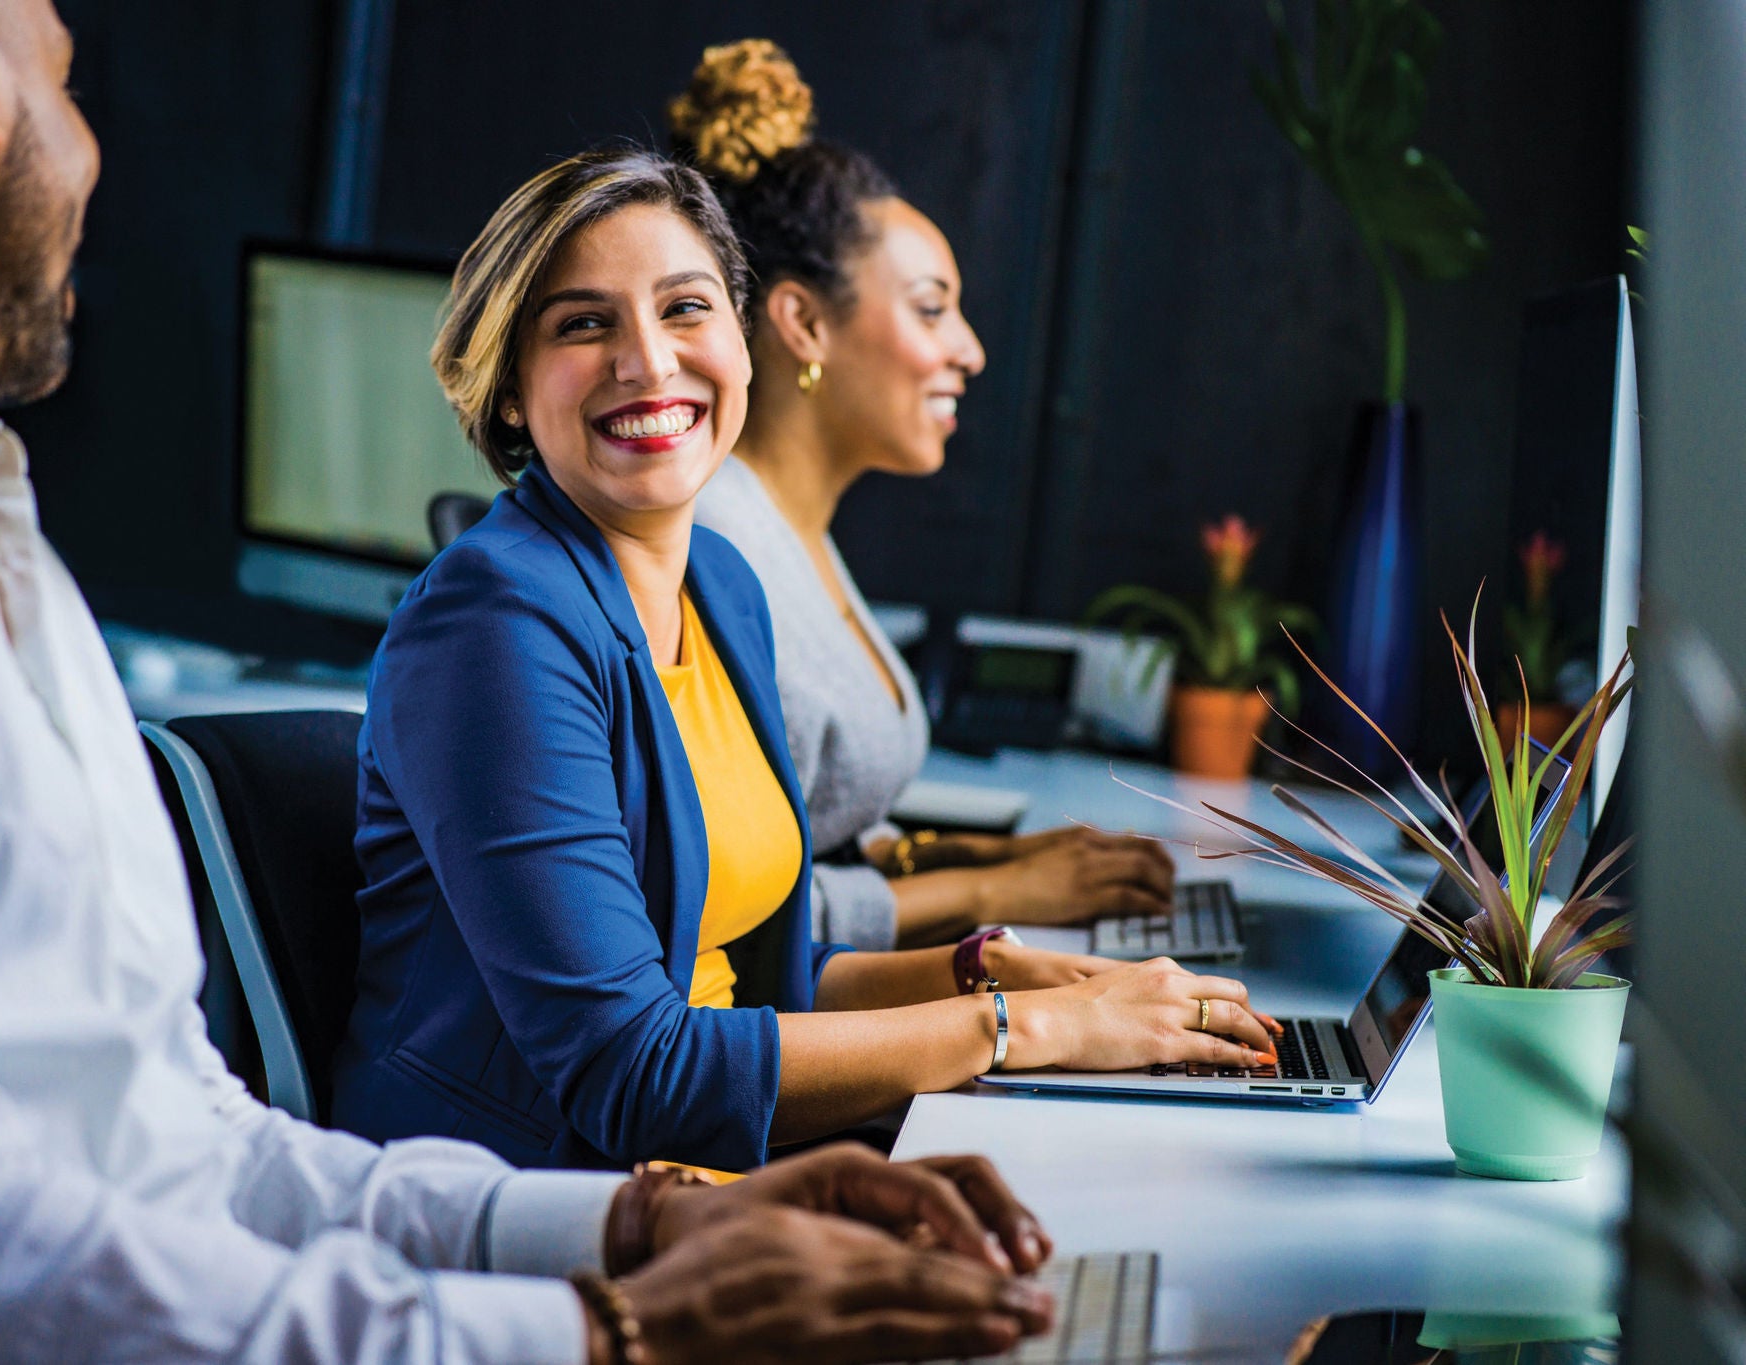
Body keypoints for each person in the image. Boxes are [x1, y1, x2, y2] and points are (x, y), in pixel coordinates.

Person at [0, 2, 1066, 1361]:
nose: (98, 150)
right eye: (70, 76)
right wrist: (606, 1327)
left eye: (682, 309)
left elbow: (192, 1146)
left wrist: (638, 1240)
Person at [336, 142, 1281, 1176]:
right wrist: (1025, 1029)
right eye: (582, 323)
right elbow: (631, 1071)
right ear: (511, 391)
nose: (648, 361)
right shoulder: (492, 624)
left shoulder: (724, 588)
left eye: (685, 309)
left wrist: (993, 973)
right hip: (533, 1205)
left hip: (713, 1173)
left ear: (743, 344)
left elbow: (756, 984)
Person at [678, 38, 1180, 953]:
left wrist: (984, 856)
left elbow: (813, 835)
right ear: (803, 321)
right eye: (930, 306)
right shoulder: (719, 551)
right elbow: (732, 920)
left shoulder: (794, 532)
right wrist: (994, 888)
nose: (970, 350)